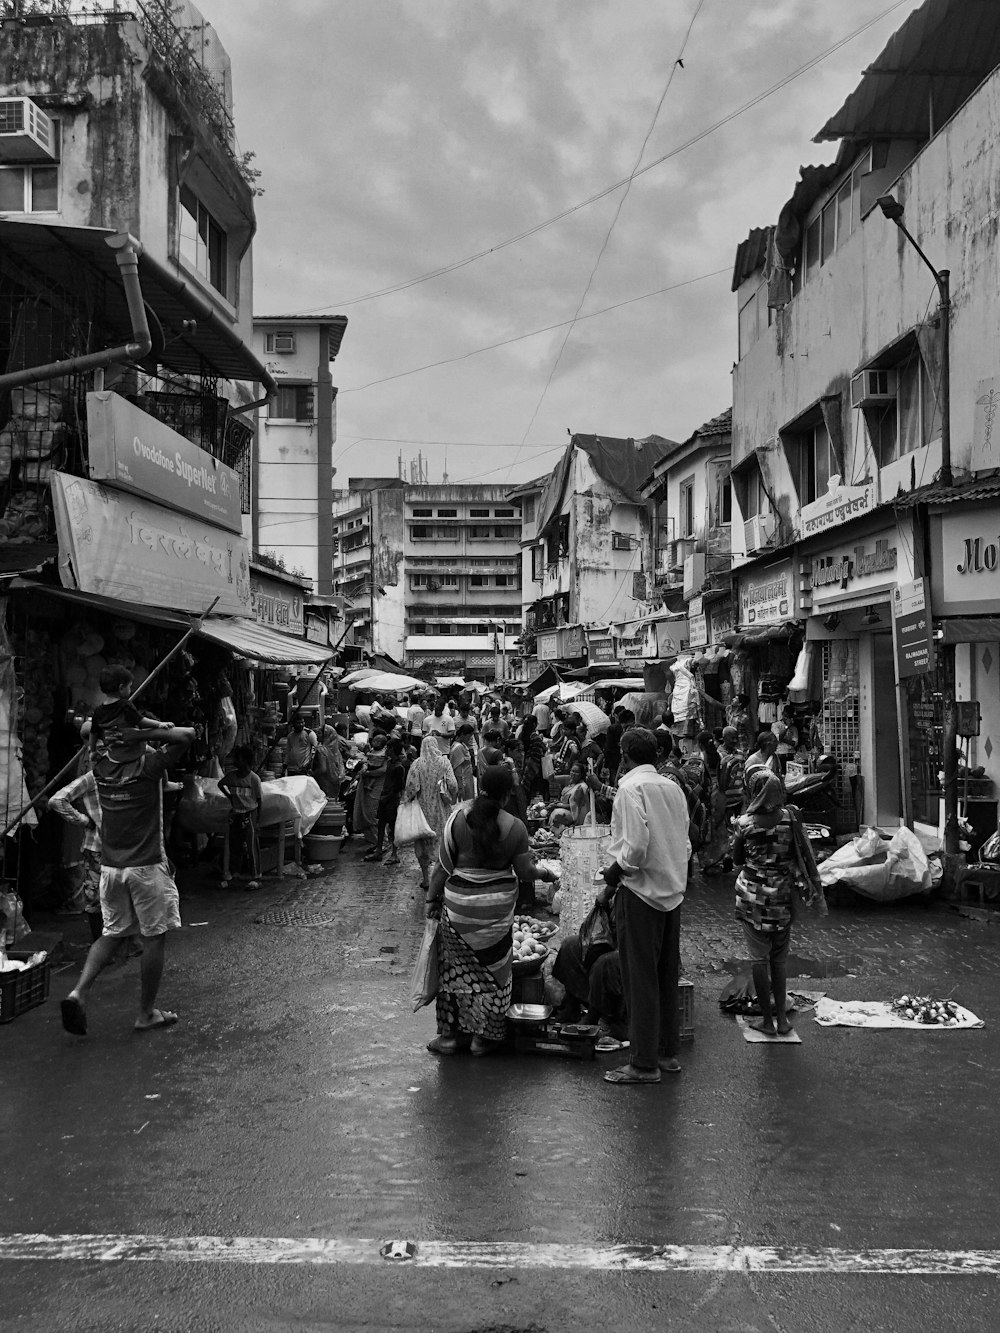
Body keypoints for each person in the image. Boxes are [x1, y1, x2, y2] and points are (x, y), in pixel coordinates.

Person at [59, 726, 196, 1036]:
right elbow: (186, 735)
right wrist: (144, 728)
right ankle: (146, 1013)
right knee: (154, 936)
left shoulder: (101, 768)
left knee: (112, 933)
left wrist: (121, 733)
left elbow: (90, 736)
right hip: (145, 865)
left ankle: (78, 992)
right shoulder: (148, 768)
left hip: (111, 867)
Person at [425, 765, 559, 1056]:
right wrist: (546, 873)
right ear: (508, 793)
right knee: (494, 976)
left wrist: (431, 901)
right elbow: (525, 873)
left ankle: (450, 1038)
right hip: (496, 915)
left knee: (454, 975)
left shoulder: (456, 820)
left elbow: (442, 870)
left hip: (458, 912)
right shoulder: (516, 828)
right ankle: (481, 1040)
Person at [596, 727, 689, 1085]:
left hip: (641, 894)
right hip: (670, 892)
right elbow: (683, 841)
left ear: (625, 754)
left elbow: (634, 845)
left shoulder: (630, 788)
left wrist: (613, 874)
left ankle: (643, 1062)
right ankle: (666, 1053)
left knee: (640, 978)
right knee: (665, 975)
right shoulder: (672, 787)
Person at [732, 769, 823, 1037]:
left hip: (753, 899)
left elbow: (737, 860)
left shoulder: (745, 824)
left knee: (759, 959)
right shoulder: (789, 819)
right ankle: (782, 1019)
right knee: (779, 959)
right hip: (783, 897)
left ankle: (767, 1020)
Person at [404, 736, 458, 889]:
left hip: (422, 811)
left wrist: (409, 800)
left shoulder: (417, 763)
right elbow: (453, 785)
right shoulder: (444, 762)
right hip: (441, 808)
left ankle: (426, 879)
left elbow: (411, 787)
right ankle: (439, 877)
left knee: (422, 844)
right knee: (441, 841)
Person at [89, 663, 168, 762]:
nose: (130, 690)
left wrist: (93, 751)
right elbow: (141, 721)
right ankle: (164, 778)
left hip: (113, 752)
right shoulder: (125, 706)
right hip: (131, 749)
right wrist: (159, 724)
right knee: (158, 757)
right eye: (129, 687)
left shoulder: (98, 711)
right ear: (121, 688)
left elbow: (93, 733)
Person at [218, 745, 263, 889]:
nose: (235, 761)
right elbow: (221, 784)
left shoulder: (254, 779)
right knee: (234, 843)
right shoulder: (232, 776)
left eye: (238, 758)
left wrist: (257, 820)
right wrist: (230, 797)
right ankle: (235, 871)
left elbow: (259, 800)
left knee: (251, 845)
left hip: (249, 813)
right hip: (236, 813)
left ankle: (256, 876)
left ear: (245, 761)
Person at [364, 736, 406, 864]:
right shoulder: (390, 763)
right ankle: (378, 851)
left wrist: (385, 797)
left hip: (392, 800)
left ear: (392, 750)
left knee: (392, 828)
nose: (386, 750)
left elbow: (399, 787)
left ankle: (394, 854)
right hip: (385, 798)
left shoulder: (398, 767)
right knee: (381, 825)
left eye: (388, 747)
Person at [353, 732, 388, 848]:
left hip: (377, 785)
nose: (376, 743)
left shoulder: (385, 755)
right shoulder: (371, 752)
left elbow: (383, 770)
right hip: (367, 783)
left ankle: (381, 840)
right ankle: (372, 838)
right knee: (364, 808)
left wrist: (369, 773)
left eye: (379, 741)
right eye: (375, 740)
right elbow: (367, 762)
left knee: (373, 812)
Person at [548, 761, 589, 830]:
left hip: (573, 814)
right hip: (563, 806)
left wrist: (558, 805)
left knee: (557, 814)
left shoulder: (582, 787)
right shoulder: (569, 779)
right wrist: (550, 771)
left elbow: (575, 807)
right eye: (572, 771)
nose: (573, 774)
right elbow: (552, 779)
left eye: (577, 772)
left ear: (581, 775)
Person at [517, 714, 548, 802]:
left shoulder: (522, 734)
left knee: (527, 785)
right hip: (534, 763)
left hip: (525, 762)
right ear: (534, 724)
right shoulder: (534, 735)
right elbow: (543, 748)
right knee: (537, 786)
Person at [718, 726, 746, 818]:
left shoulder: (740, 754)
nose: (735, 741)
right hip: (724, 801)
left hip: (738, 800)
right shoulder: (718, 754)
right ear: (724, 738)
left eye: (736, 738)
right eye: (732, 738)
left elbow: (742, 775)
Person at [745, 730, 782, 794]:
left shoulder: (775, 757)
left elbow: (779, 775)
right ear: (768, 744)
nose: (777, 744)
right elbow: (747, 781)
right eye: (775, 741)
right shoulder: (752, 760)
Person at [285, 712, 318, 776]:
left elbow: (316, 749)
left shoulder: (309, 734)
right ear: (293, 724)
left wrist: (310, 765)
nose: (300, 724)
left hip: (303, 769)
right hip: (291, 769)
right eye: (298, 723)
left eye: (302, 722)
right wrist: (285, 766)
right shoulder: (290, 736)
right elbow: (288, 752)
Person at [449, 724, 476, 801]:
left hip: (467, 778)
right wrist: (460, 786)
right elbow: (458, 767)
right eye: (469, 736)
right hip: (463, 780)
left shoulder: (461, 745)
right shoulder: (459, 747)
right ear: (463, 735)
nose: (470, 739)